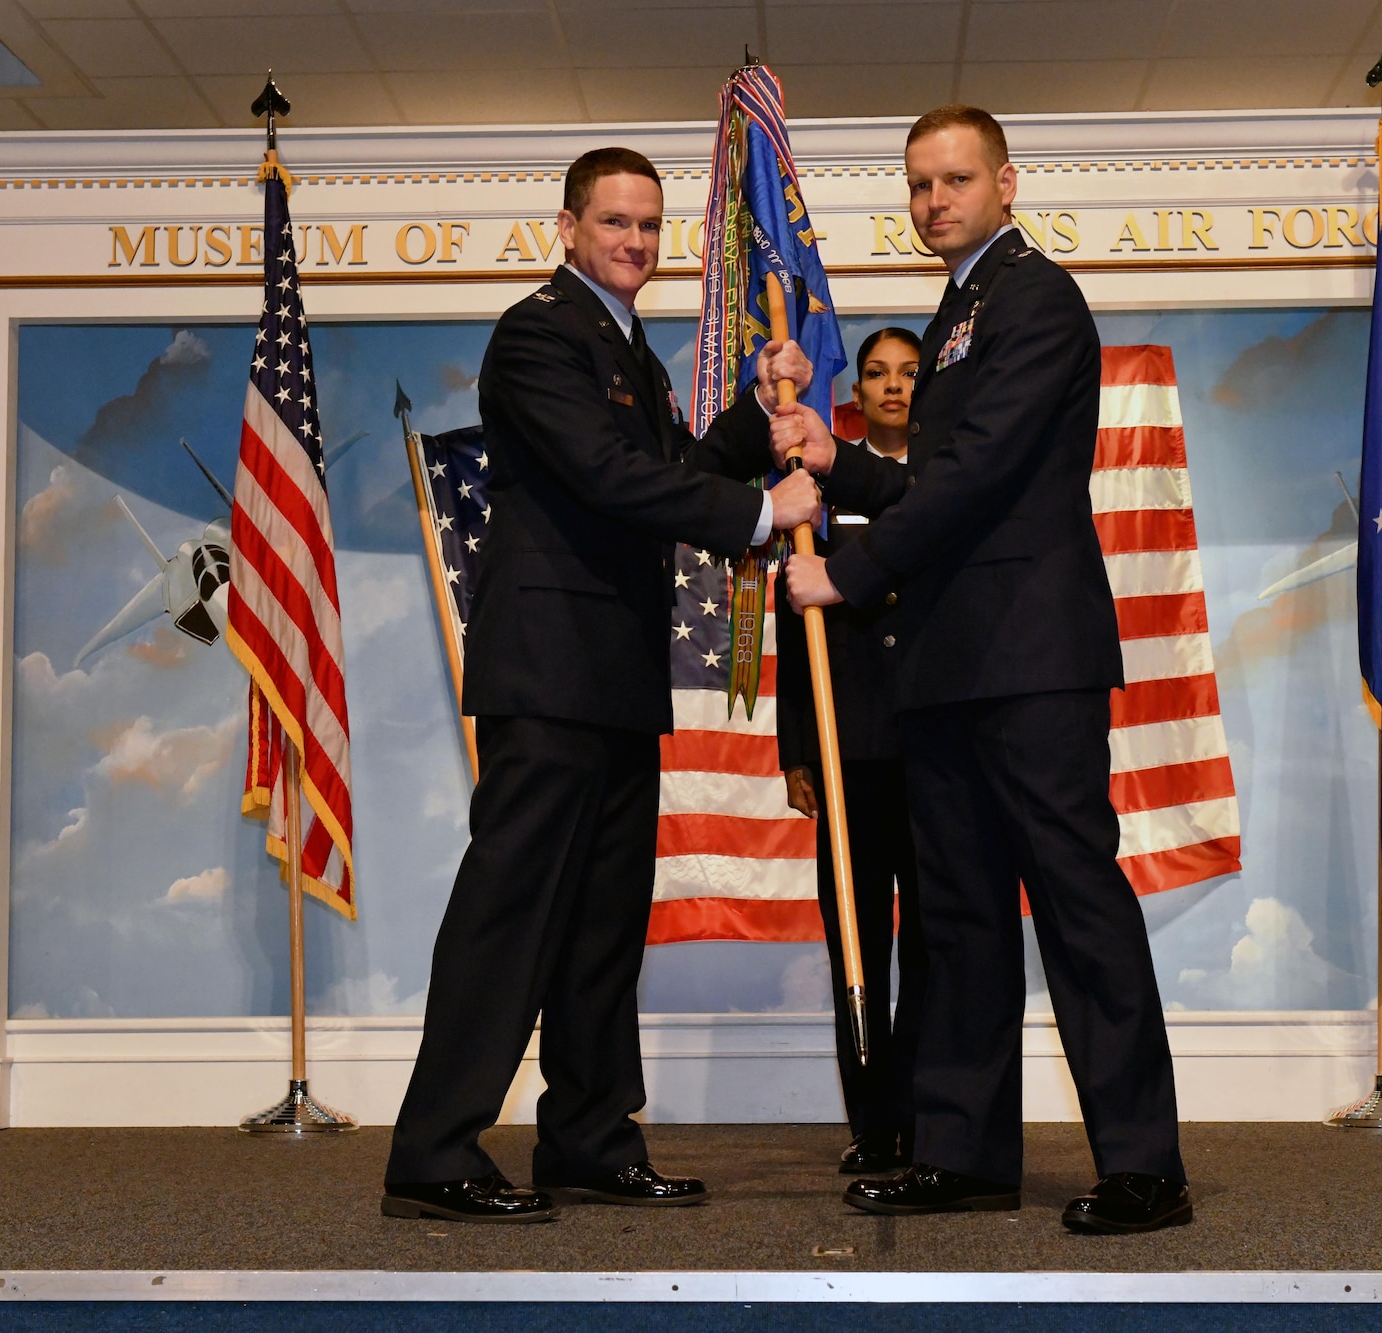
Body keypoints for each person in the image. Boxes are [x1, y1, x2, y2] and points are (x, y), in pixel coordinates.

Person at [383, 146, 823, 1225]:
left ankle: (586, 1136)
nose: (632, 241)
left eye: (647, 226)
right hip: (547, 668)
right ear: (568, 227)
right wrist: (761, 516)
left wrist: (753, 425)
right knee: (511, 912)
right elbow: (604, 473)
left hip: (616, 673)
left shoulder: (619, 341)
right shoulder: (537, 332)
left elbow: (668, 462)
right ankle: (433, 1151)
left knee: (599, 923)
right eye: (614, 222)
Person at [773, 106, 1191, 1234]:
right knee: (953, 916)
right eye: (916, 185)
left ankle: (1145, 1165)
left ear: (1004, 182)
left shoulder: (1035, 297)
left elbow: (982, 476)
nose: (932, 202)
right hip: (947, 661)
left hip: (1030, 657)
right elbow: (933, 479)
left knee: (1073, 902)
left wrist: (845, 580)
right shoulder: (955, 312)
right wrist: (837, 459)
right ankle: (961, 1151)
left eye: (953, 180)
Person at [775, 326, 927, 1176]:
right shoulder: (817, 491)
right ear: (856, 392)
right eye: (876, 374)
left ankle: (924, 1111)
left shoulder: (947, 485)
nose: (894, 387)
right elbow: (798, 627)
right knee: (859, 943)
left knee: (938, 943)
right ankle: (874, 1124)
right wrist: (797, 744)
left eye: (909, 373)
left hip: (934, 745)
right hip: (848, 749)